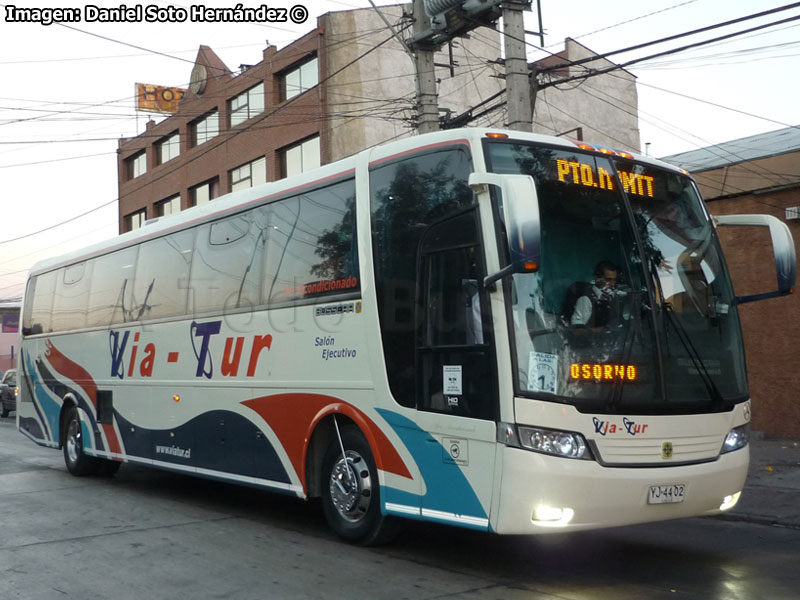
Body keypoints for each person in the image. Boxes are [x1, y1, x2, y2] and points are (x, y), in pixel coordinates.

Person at [563, 260, 627, 328]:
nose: (612, 284)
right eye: (608, 280)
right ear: (597, 278)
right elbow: (576, 330)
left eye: (614, 280)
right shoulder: (586, 300)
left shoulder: (614, 297)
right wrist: (597, 331)